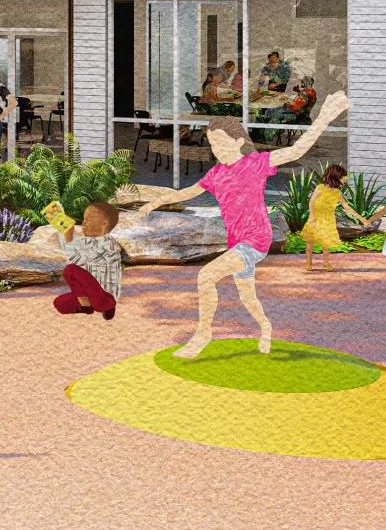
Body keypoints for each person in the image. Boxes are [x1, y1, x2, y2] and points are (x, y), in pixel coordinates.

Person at [137, 91, 351, 357]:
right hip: (236, 244)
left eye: (221, 143)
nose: (217, 150)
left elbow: (297, 150)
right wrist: (152, 204)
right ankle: (266, 327)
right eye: (213, 145)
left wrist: (324, 117)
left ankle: (203, 335)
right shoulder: (216, 174)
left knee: (206, 276)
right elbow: (186, 193)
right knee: (248, 298)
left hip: (256, 239)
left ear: (239, 142)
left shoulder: (255, 163)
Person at [53, 201, 123, 319]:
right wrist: (65, 230)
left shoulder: (107, 245)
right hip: (90, 294)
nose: (84, 223)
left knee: (71, 270)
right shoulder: (87, 241)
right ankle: (87, 305)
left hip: (104, 295)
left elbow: (77, 260)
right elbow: (70, 247)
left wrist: (69, 236)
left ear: (103, 224)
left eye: (88, 219)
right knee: (59, 303)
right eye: (84, 219)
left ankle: (106, 305)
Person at [300, 164, 370, 272]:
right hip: (316, 218)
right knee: (310, 242)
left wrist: (361, 218)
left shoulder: (337, 193)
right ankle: (309, 262)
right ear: (336, 177)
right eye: (343, 178)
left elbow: (347, 207)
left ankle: (326, 263)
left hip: (328, 220)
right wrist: (313, 218)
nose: (345, 180)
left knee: (325, 243)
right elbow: (311, 203)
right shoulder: (320, 188)